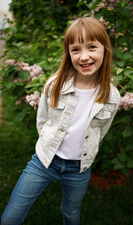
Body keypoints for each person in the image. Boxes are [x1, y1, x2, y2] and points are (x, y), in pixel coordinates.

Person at [1, 17, 120, 225]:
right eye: (76, 49)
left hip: (79, 168)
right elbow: (43, 120)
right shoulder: (55, 85)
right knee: (11, 216)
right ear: (69, 53)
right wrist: (48, 143)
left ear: (105, 49)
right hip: (45, 160)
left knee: (71, 214)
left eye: (92, 47)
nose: (84, 57)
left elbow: (101, 130)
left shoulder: (111, 96)